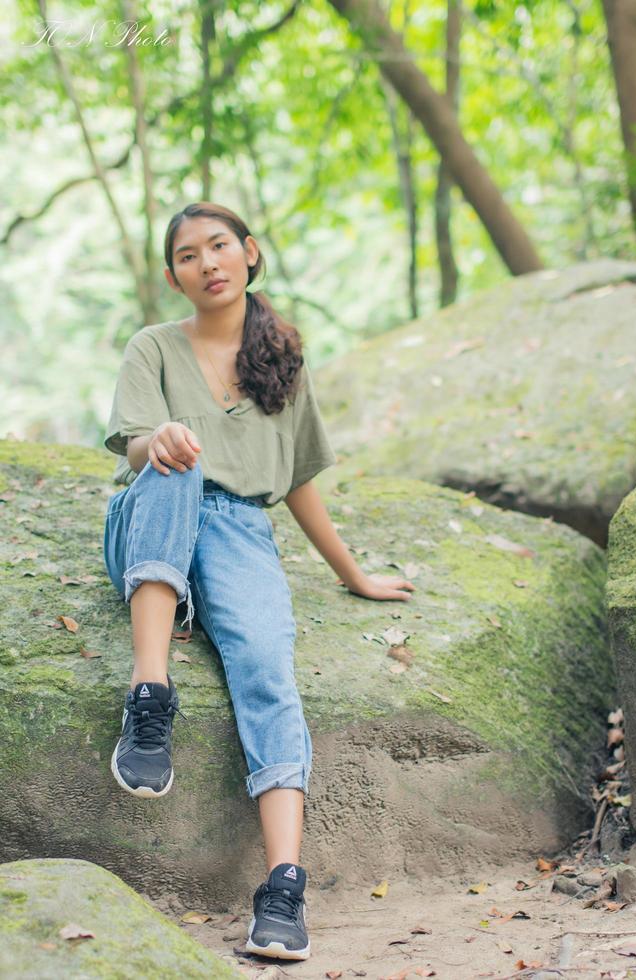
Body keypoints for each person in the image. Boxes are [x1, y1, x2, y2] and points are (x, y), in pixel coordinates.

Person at [102, 201, 416, 962]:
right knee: (181, 464)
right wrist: (163, 441)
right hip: (152, 508)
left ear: (248, 254)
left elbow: (301, 480)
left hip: (241, 531)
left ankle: (283, 886)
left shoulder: (282, 361)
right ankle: (151, 697)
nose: (206, 263)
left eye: (219, 247)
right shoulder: (153, 348)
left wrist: (354, 574)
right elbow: (134, 443)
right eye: (187, 255)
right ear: (174, 277)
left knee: (268, 668)